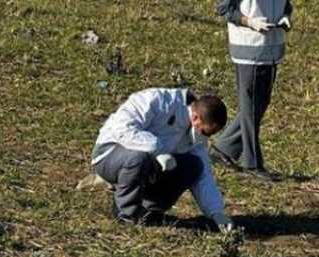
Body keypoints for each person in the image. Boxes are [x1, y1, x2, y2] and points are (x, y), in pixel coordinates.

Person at [90, 88, 234, 231]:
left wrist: (217, 213)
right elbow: (121, 128)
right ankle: (126, 214)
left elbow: (204, 177)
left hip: (149, 167)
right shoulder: (157, 100)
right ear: (195, 117)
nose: (205, 137)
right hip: (109, 154)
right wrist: (157, 149)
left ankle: (149, 212)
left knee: (194, 165)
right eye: (205, 131)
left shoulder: (196, 136)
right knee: (139, 157)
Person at [210, 0, 293, 182]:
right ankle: (252, 163)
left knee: (257, 106)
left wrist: (286, 16)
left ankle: (224, 148)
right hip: (249, 50)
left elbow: (286, 5)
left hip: (272, 51)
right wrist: (250, 22)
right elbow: (224, 9)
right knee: (251, 108)